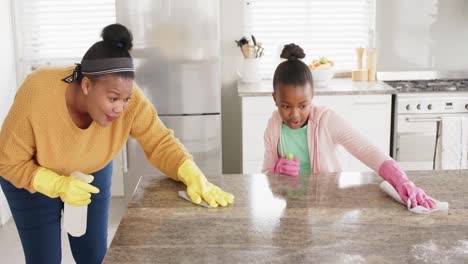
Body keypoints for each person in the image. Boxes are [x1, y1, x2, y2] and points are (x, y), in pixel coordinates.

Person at [0, 23, 234, 264]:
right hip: (31, 176)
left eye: (126, 99)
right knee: (44, 259)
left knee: (94, 256)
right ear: (87, 85)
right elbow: (7, 161)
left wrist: (191, 173)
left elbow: (160, 141)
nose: (120, 108)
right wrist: (57, 184)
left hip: (91, 170)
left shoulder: (128, 101)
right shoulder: (37, 92)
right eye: (112, 98)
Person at [262, 43, 435, 210]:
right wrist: (275, 170)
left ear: (312, 97)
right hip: (291, 208)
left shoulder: (326, 120)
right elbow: (266, 176)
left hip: (325, 209)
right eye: (286, 106)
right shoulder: (273, 126)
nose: (295, 115)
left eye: (303, 105)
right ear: (274, 99)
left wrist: (401, 180)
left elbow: (367, 150)